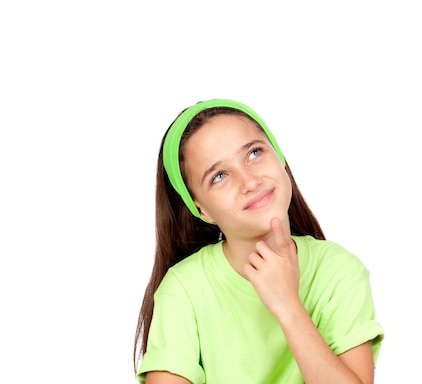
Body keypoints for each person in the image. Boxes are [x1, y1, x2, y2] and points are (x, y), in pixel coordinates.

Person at [133, 98, 384, 383]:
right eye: (219, 176)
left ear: (279, 155)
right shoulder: (183, 290)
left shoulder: (339, 271)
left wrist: (288, 306)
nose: (249, 181)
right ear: (200, 208)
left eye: (254, 153)